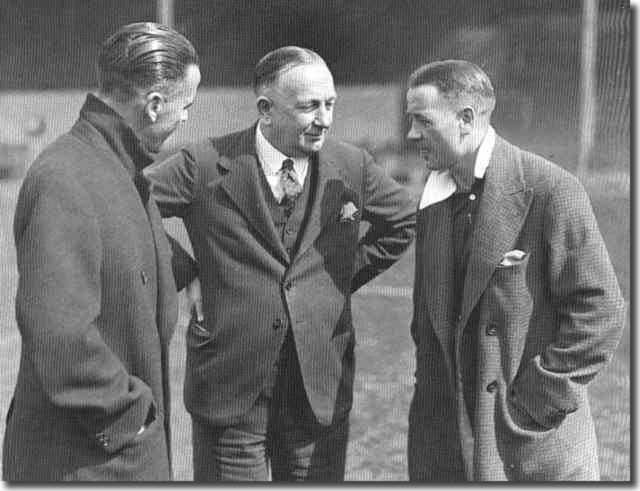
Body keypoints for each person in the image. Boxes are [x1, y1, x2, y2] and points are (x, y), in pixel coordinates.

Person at [145, 46, 416, 482]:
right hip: (231, 386)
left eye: (330, 105)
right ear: (266, 110)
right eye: (309, 107)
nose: (324, 118)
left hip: (317, 389)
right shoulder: (205, 164)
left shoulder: (352, 165)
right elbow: (131, 205)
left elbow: (402, 222)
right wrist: (186, 272)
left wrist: (335, 278)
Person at [405, 59, 625, 481]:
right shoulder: (433, 198)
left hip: (531, 445)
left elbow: (601, 312)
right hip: (449, 445)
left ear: (466, 119)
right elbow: (427, 326)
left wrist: (533, 405)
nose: (412, 134)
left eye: (422, 121)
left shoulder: (551, 190)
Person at [3, 22, 201, 481]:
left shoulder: (115, 167)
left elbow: (130, 248)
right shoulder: (65, 177)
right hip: (86, 460)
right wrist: (130, 417)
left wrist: (197, 271)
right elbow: (58, 335)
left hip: (108, 456)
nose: (187, 118)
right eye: (185, 106)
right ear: (153, 105)